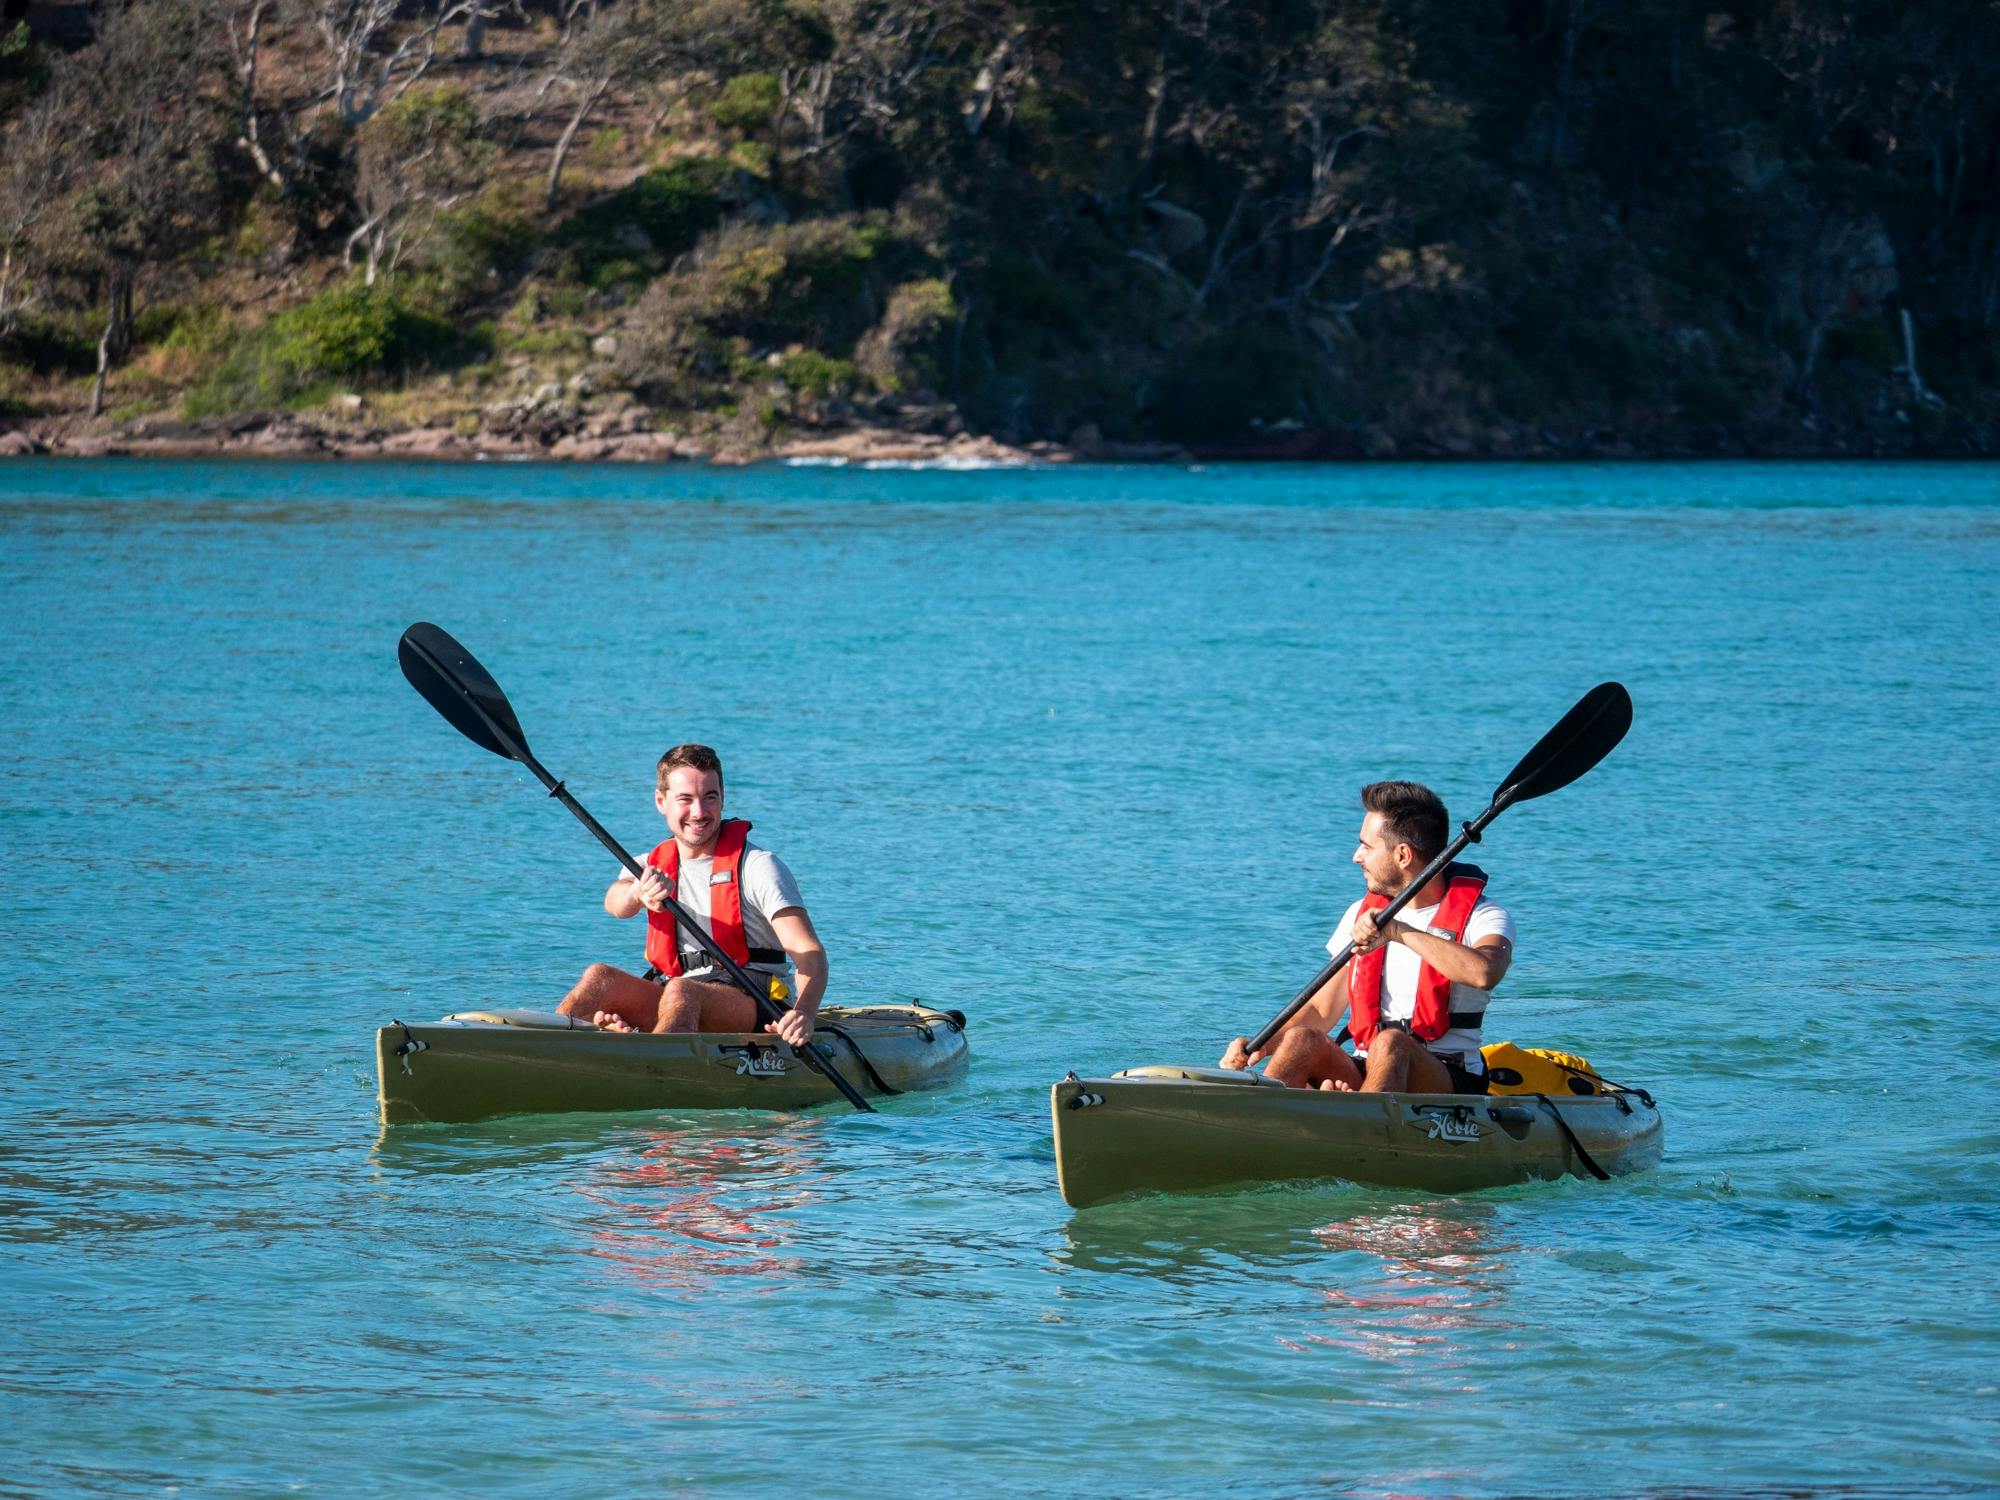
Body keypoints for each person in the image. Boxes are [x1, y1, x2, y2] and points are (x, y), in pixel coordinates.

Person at [1220, 780, 1513, 1094]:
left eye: (1367, 846)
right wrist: (1264, 1044)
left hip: (1448, 1077)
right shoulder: (1361, 913)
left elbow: (1485, 972)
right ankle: (1257, 1113)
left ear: (1402, 855)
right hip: (1367, 1068)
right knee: (1301, 1038)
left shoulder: (1484, 917)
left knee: (1390, 1044)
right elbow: (1320, 1010)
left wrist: (1398, 932)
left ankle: (1362, 1125)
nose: (1356, 857)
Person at [555, 743, 827, 1047]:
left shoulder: (758, 867)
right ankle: (542, 1052)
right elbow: (615, 903)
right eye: (685, 799)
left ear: (722, 798)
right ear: (661, 801)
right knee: (599, 978)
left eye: (709, 797)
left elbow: (810, 953)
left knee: (682, 991)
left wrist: (803, 1014)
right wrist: (637, 893)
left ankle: (657, 1067)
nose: (699, 812)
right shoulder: (648, 866)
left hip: (753, 999)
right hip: (675, 993)